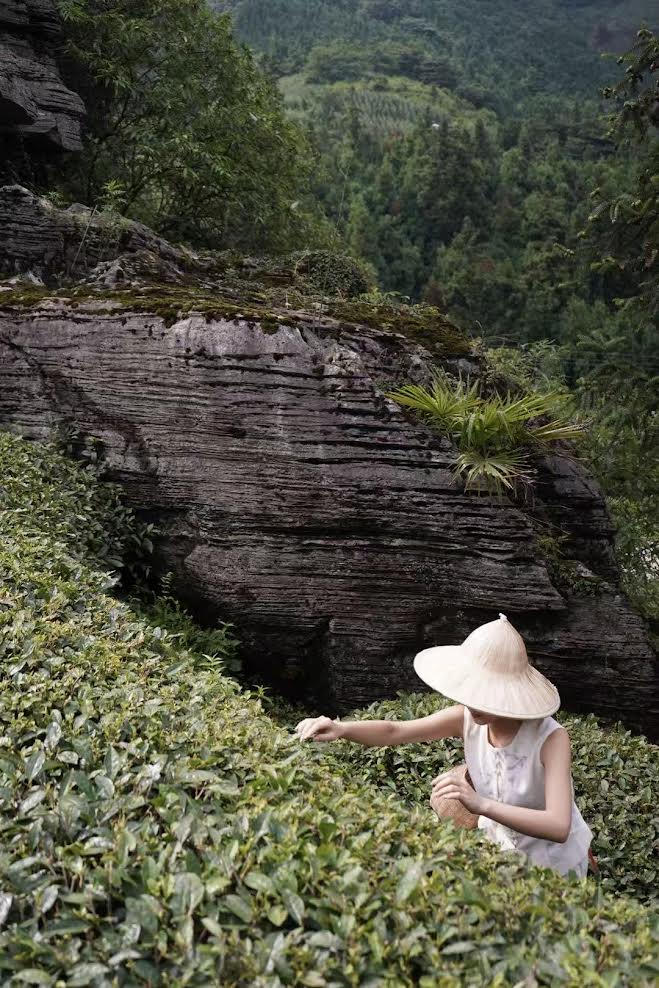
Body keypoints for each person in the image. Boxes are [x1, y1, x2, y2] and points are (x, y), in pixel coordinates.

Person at [295, 612, 594, 878]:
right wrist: (341, 728)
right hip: (504, 855)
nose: (473, 702)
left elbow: (558, 825)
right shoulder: (464, 718)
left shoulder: (551, 739)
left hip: (556, 865)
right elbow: (394, 731)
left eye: (486, 693)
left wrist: (481, 805)